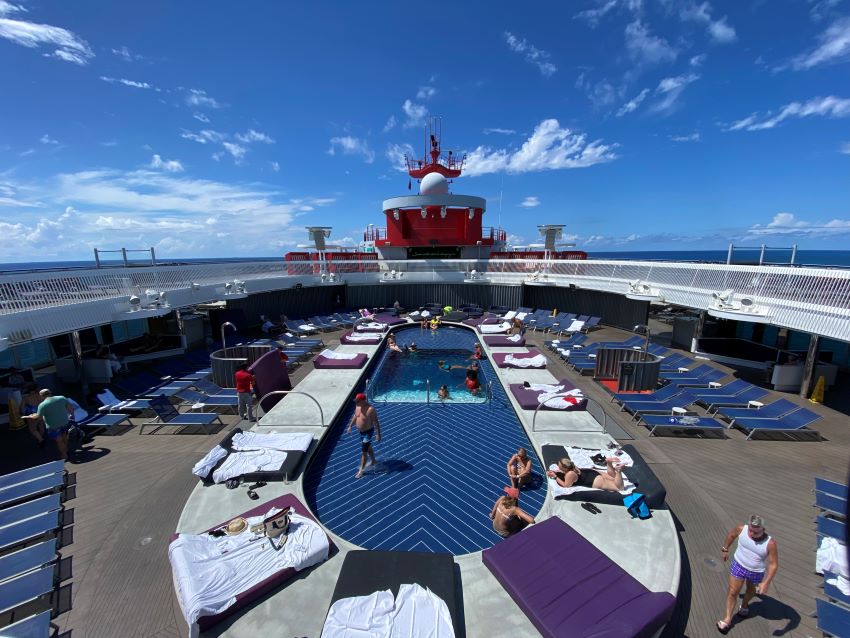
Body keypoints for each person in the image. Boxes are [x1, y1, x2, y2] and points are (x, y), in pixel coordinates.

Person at [716, 515, 779, 634]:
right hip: (738, 565)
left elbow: (773, 564)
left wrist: (766, 583)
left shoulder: (770, 543)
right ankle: (728, 619)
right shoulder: (741, 529)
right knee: (733, 591)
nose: (752, 534)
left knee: (751, 591)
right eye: (750, 530)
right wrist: (725, 549)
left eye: (756, 532)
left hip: (756, 572)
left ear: (763, 530)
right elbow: (731, 535)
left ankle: (744, 604)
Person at [23, 389, 74, 460]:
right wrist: (70, 416)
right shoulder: (61, 398)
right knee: (64, 437)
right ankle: (66, 450)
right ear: (50, 393)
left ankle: (64, 455)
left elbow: (39, 418)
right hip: (65, 422)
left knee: (59, 440)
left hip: (53, 426)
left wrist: (30, 416)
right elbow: (71, 409)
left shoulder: (42, 405)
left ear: (41, 396)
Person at [347, 393, 381, 479]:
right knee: (368, 447)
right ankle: (373, 460)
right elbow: (356, 416)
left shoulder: (370, 409)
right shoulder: (358, 406)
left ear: (363, 401)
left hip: (368, 432)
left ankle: (361, 470)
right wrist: (350, 426)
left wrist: (378, 434)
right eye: (356, 401)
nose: (356, 403)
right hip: (361, 432)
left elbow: (376, 422)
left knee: (364, 451)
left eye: (358, 401)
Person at [546, 457, 625, 492]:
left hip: (594, 480)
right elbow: (564, 471)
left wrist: (555, 476)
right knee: (613, 477)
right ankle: (609, 463)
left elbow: (566, 485)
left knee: (619, 487)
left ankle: (618, 471)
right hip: (591, 472)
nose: (558, 467)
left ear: (565, 468)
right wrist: (559, 471)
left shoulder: (570, 474)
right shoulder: (572, 466)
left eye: (559, 466)